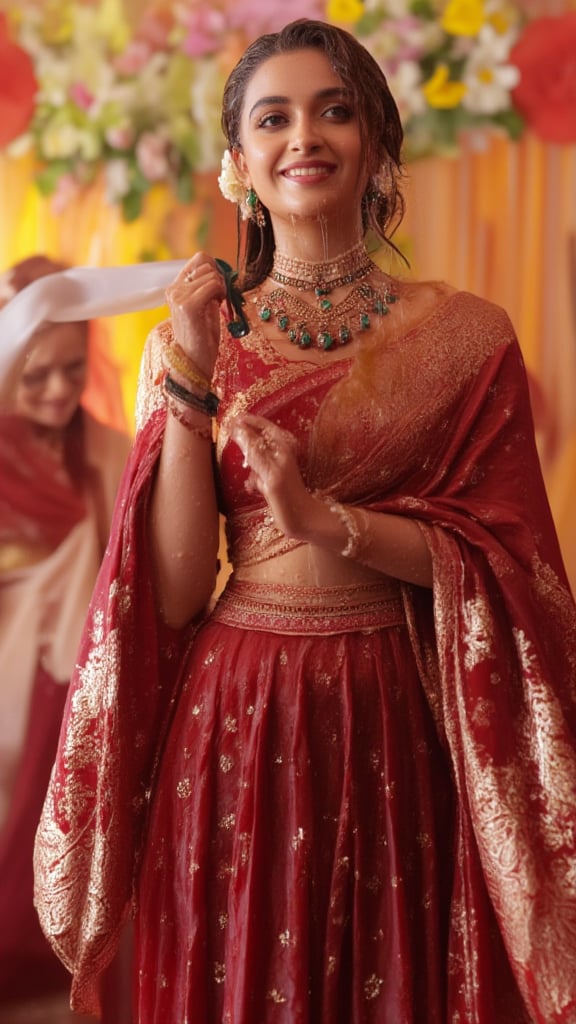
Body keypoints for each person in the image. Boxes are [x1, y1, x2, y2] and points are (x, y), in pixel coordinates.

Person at [34, 20, 576, 1024]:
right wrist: (191, 371)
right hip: (237, 714)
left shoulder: (466, 338)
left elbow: (509, 566)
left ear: (377, 141)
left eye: (334, 109)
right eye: (272, 117)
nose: (305, 135)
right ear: (239, 165)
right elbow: (179, 589)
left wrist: (328, 522)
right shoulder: (187, 340)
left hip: (395, 707)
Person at [0, 256, 132, 1023]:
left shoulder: (110, 453)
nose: (56, 393)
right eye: (36, 375)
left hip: (77, 692)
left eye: (72, 371)